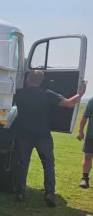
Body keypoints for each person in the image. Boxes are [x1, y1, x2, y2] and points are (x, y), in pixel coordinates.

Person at [12, 70, 87, 206]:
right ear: (41, 81)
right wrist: (81, 93)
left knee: (22, 164)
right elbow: (69, 103)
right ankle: (49, 194)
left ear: (28, 80)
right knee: (48, 164)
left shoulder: (19, 93)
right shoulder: (47, 93)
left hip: (23, 134)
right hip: (43, 135)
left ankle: (20, 193)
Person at [77, 98, 93, 188]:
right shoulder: (92, 101)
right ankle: (85, 179)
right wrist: (80, 131)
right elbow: (84, 117)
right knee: (88, 156)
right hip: (91, 135)